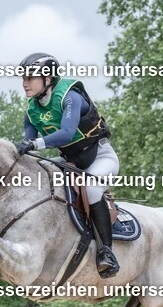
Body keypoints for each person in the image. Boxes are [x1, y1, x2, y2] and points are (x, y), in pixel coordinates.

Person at [15, 52, 121, 278]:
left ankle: (106, 253)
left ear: (48, 79)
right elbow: (27, 143)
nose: (25, 83)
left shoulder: (70, 97)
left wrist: (34, 144)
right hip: (70, 161)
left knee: (92, 188)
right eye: (23, 78)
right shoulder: (31, 112)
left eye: (30, 78)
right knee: (38, 178)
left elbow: (67, 133)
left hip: (100, 157)